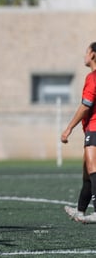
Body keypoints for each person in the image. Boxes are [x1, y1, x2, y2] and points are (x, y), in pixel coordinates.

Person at [63, 42, 96, 224]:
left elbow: (86, 106)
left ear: (92, 55)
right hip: (91, 129)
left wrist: (69, 128)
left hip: (94, 128)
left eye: (86, 52)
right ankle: (80, 211)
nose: (84, 55)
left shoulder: (92, 77)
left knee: (93, 169)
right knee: (87, 174)